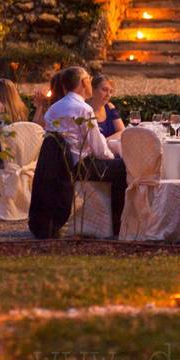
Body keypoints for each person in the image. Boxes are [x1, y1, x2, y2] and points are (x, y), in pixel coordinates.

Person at [43, 66, 127, 236]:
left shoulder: (53, 109)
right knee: (123, 167)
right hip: (82, 166)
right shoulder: (84, 109)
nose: (90, 82)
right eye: (89, 79)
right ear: (83, 83)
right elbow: (99, 149)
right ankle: (118, 227)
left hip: (60, 167)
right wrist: (113, 157)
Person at [89, 75, 125, 139]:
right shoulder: (84, 110)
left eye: (111, 91)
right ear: (93, 89)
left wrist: (104, 142)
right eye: (104, 90)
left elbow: (122, 131)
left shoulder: (109, 107)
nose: (108, 95)